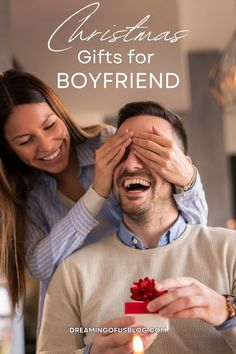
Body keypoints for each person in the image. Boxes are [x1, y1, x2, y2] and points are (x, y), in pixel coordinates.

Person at [0, 70, 207, 329]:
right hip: (76, 316)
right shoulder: (27, 194)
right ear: (9, 146)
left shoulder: (111, 144)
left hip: (138, 299)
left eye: (50, 125)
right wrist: (96, 194)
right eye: (25, 140)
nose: (47, 145)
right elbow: (41, 267)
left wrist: (188, 178)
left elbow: (193, 224)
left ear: (60, 112)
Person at [37, 101, 235, 354]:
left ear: (181, 165)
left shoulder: (231, 251)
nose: (130, 165)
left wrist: (227, 313)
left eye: (151, 150)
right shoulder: (72, 273)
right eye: (122, 152)